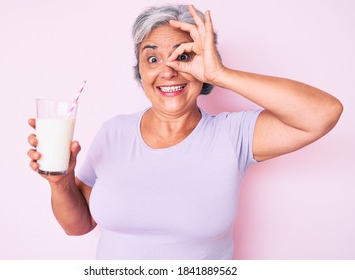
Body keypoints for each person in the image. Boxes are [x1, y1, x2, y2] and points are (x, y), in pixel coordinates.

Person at [27, 4, 342, 259]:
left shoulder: (234, 135)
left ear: (202, 65)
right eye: (153, 58)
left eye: (184, 56)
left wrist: (221, 74)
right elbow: (78, 226)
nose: (168, 71)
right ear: (140, 71)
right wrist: (61, 181)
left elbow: (323, 113)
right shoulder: (114, 132)